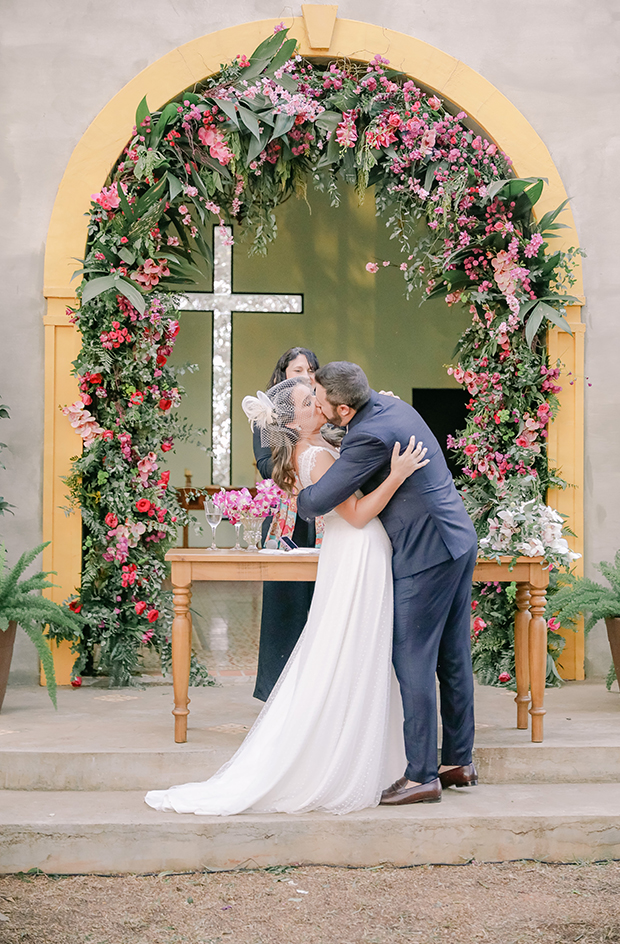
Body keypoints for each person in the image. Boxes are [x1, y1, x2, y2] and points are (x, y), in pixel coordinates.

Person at [145, 377, 428, 815]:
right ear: (293, 421)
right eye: (306, 400)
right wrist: (398, 475)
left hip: (359, 555)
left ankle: (366, 753)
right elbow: (354, 515)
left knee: (354, 650)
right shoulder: (313, 457)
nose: (316, 402)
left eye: (314, 395)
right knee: (350, 650)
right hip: (357, 551)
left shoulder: (316, 448)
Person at [297, 362, 479, 806]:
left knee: (412, 658)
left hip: (426, 554)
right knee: (452, 656)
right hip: (457, 538)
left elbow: (316, 501)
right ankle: (457, 760)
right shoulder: (391, 407)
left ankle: (421, 775)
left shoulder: (368, 437)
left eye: (318, 397)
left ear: (342, 408)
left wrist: (300, 487)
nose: (314, 401)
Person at [252, 347, 321, 702]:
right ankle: (275, 693)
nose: (306, 376)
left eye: (311, 370)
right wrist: (296, 450)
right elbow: (265, 465)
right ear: (282, 374)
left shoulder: (325, 414)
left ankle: (315, 693)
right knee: (285, 606)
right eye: (298, 369)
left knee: (322, 606)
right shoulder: (267, 418)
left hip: (324, 517)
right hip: (286, 519)